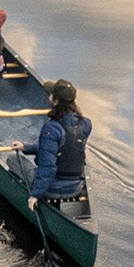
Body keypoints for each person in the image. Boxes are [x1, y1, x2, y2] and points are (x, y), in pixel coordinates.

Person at [26, 79, 91, 214]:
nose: (48, 96)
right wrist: (25, 148)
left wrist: (35, 195)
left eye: (50, 94)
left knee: (12, 161)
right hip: (75, 187)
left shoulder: (51, 128)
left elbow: (47, 166)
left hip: (52, 189)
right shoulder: (85, 124)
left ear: (55, 101)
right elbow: (63, 148)